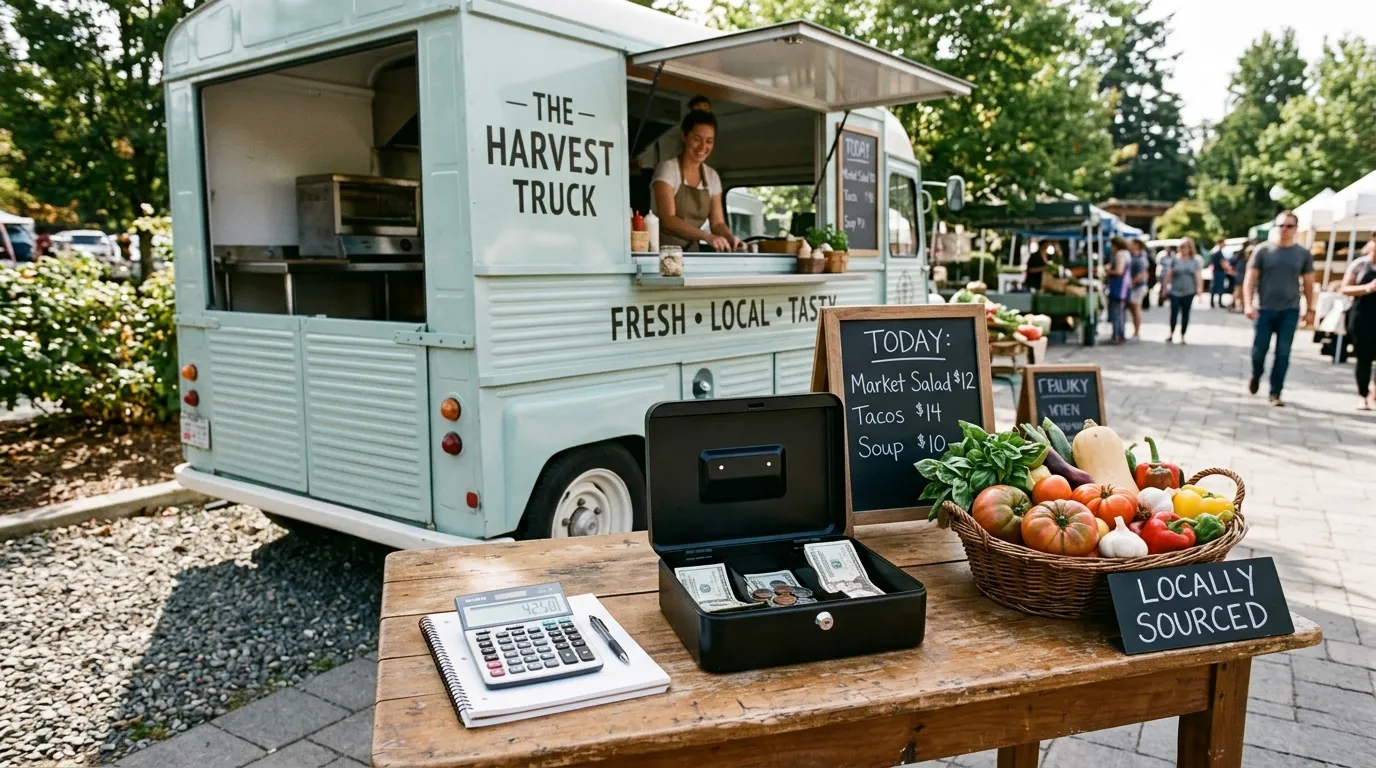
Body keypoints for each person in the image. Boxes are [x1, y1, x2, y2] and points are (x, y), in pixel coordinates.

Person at [1244, 210, 1316, 406]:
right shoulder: (1263, 250)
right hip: (1265, 309)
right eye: (1281, 225)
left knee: (1283, 353)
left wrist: (1310, 309)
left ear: (1296, 229)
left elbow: (1309, 283)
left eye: (1289, 226)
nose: (1284, 229)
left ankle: (1276, 393)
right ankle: (1256, 374)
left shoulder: (1302, 254)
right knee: (1259, 351)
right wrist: (1248, 304)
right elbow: (1250, 279)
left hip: (1289, 310)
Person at [651, 111, 744, 252]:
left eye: (709, 141)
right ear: (684, 136)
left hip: (692, 251)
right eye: (697, 139)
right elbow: (668, 219)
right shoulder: (668, 169)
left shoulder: (712, 176)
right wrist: (707, 237)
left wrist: (730, 237)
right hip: (663, 252)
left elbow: (717, 223)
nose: (702, 147)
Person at [1339, 241, 1376, 409]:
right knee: (1364, 358)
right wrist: (1368, 288)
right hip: (1363, 316)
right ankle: (1362, 395)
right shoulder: (1360, 264)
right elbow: (1344, 288)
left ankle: (1373, 390)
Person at [1162, 237, 1203, 344]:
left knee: (1185, 313)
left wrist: (1199, 290)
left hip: (1189, 291)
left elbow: (1198, 276)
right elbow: (1169, 274)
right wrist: (1164, 287)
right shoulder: (1175, 260)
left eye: (1187, 247)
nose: (1184, 249)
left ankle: (1183, 335)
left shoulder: (1194, 261)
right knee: (1174, 312)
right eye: (1182, 247)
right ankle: (1171, 333)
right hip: (1175, 290)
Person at [1105, 237, 1132, 345]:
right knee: (1121, 313)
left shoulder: (1120, 254)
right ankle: (1120, 334)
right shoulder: (1127, 253)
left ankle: (1116, 336)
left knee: (1116, 312)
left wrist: (1108, 271)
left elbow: (1119, 271)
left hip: (1118, 287)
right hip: (1125, 287)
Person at [1127, 239, 1150, 339]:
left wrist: (1132, 282)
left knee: (1136, 309)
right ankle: (1135, 331)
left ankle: (1137, 332)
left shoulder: (1141, 257)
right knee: (1134, 309)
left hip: (1138, 287)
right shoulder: (1131, 256)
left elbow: (1142, 274)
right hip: (1135, 286)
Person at [1208, 238, 1232, 308]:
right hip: (1218, 271)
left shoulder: (1217, 252)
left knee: (1215, 286)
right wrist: (1228, 269)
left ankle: (1214, 302)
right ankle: (1217, 302)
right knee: (1218, 287)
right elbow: (1222, 263)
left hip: (1217, 271)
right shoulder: (1218, 253)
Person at [1229, 244, 1251, 313]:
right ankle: (1241, 306)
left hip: (1240, 275)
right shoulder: (1244, 256)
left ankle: (1237, 305)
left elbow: (1231, 262)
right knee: (1240, 291)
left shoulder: (1239, 255)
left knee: (1238, 291)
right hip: (1241, 275)